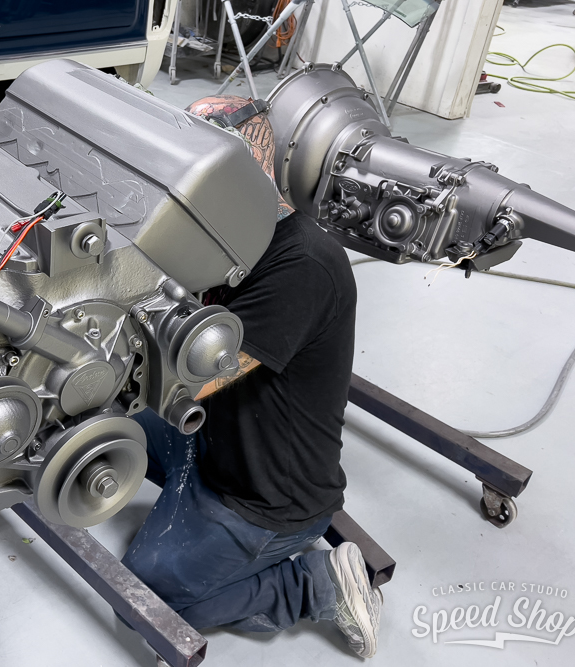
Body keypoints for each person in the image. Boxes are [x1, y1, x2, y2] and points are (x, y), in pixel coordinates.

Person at [121, 95, 383, 658]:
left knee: (143, 595)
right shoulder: (223, 240)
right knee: (115, 426)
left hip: (266, 498)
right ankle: (195, 518)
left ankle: (317, 585)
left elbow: (190, 379)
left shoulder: (303, 264)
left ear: (242, 174)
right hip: (210, 439)